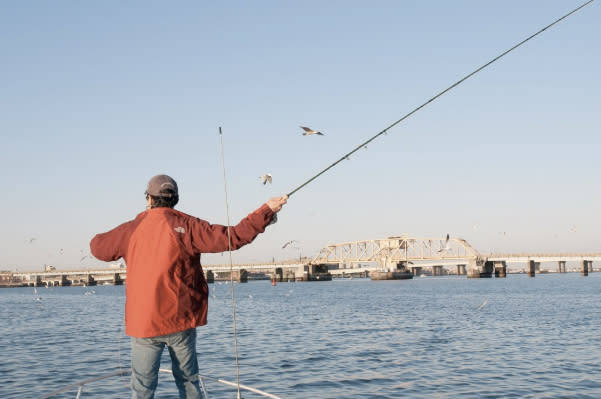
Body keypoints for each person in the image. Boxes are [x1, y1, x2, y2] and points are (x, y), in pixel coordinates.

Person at [90, 174, 287, 399]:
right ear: (175, 199)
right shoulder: (189, 226)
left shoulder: (131, 229)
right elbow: (234, 237)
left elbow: (98, 248)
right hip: (181, 320)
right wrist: (267, 211)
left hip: (144, 323)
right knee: (189, 384)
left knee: (142, 390)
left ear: (149, 199)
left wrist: (112, 235)